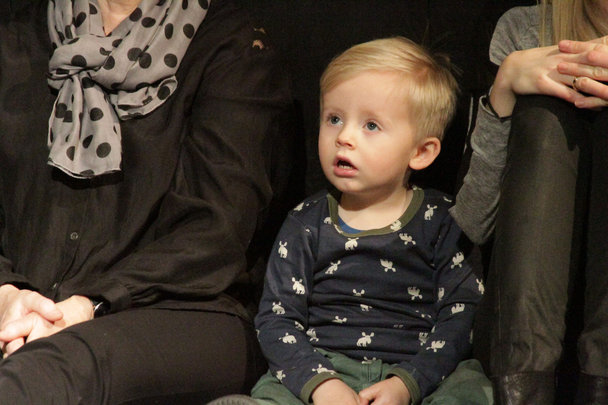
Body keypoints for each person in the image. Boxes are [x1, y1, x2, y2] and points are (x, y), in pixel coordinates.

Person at [0, 0, 296, 403]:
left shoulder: (235, 47)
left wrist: (90, 304)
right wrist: (7, 293)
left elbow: (215, 232)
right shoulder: (18, 32)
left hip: (176, 310)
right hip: (19, 304)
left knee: (48, 371)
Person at [210, 37, 491, 405]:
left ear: (421, 152)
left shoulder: (443, 220)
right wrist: (321, 385)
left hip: (419, 372)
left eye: (371, 125)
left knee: (472, 389)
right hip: (323, 368)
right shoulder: (306, 222)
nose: (344, 137)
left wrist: (408, 384)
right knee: (265, 394)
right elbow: (277, 319)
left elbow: (461, 316)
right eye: (334, 119)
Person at [452, 0, 608, 403]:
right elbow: (473, 220)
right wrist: (504, 88)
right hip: (521, 340)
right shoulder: (525, 29)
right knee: (545, 108)